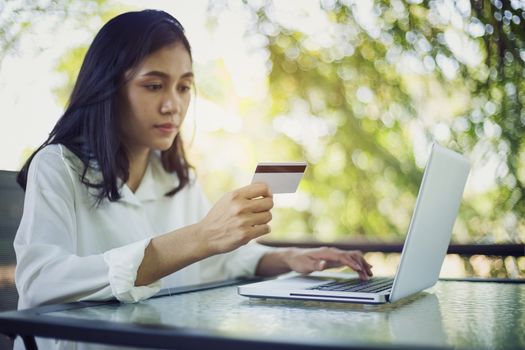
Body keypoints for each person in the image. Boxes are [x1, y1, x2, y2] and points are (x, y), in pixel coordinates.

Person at [14, 9, 373, 313]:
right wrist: (200, 237)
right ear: (107, 88)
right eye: (154, 85)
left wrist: (291, 257)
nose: (173, 105)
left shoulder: (177, 179)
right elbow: (40, 281)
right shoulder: (58, 165)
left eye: (183, 87)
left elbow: (217, 261)